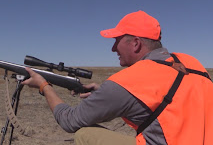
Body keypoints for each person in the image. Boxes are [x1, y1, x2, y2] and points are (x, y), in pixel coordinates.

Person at [21, 10, 213, 145]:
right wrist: (104, 92)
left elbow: (69, 121)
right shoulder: (191, 63)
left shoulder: (127, 80)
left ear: (136, 43)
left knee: (85, 135)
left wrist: (44, 86)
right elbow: (168, 103)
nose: (113, 48)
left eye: (117, 41)